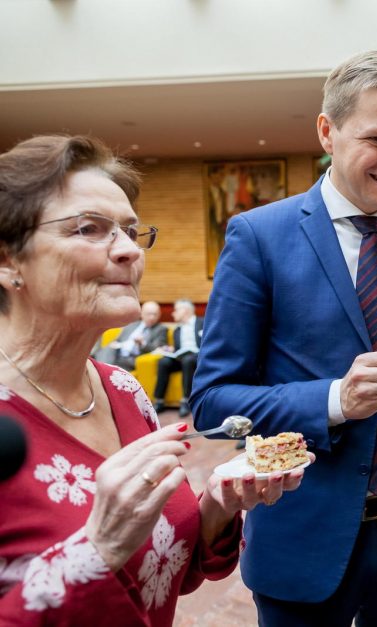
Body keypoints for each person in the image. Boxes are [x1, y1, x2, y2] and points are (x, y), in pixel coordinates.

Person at [189, 51, 377, 627]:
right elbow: (213, 405)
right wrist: (333, 402)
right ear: (327, 131)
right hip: (301, 532)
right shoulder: (259, 237)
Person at [0, 135, 307, 626]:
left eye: (130, 231)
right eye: (89, 229)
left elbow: (165, 569)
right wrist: (95, 548)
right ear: (7, 259)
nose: (127, 251)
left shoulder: (124, 391)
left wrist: (215, 509)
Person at [153, 299, 202, 417]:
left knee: (188, 360)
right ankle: (159, 400)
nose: (173, 313)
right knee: (164, 362)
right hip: (182, 357)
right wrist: (169, 350)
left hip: (197, 358)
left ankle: (186, 400)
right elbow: (178, 349)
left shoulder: (202, 323)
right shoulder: (177, 330)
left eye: (176, 310)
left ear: (184, 311)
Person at [93, 300, 168, 371]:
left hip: (133, 359)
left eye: (155, 314)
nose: (152, 317)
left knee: (104, 356)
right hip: (118, 354)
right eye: (149, 314)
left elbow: (156, 348)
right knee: (107, 349)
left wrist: (142, 344)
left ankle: (101, 371)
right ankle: (99, 368)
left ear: (159, 315)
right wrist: (115, 344)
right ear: (142, 313)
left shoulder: (161, 329)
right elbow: (117, 340)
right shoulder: (132, 325)